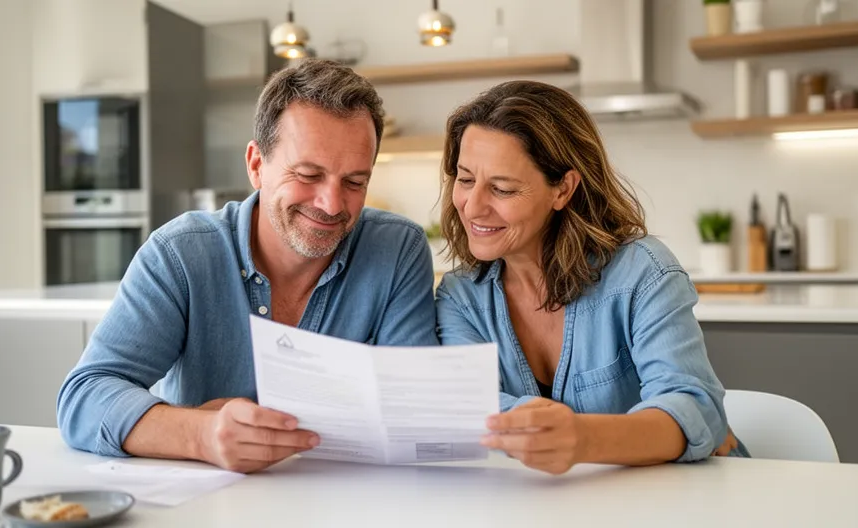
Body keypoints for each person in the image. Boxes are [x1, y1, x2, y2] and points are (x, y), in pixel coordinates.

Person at [57, 59, 439, 474]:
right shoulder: (181, 254)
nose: (331, 204)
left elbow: (413, 407)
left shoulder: (398, 248)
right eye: (309, 174)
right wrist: (201, 434)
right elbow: (84, 396)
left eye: (354, 182)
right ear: (257, 165)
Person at [434, 80, 747, 476]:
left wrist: (583, 438)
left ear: (563, 189)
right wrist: (662, 428)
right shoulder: (461, 298)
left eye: (502, 188)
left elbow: (694, 408)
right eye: (465, 180)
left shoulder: (643, 273)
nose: (473, 206)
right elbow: (467, 408)